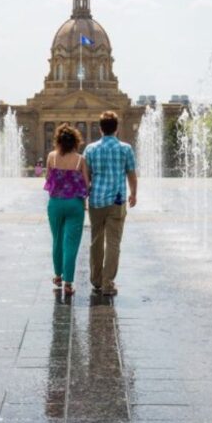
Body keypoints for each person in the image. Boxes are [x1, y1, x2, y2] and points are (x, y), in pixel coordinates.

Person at [84, 111, 137, 297]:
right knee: (113, 242)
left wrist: (85, 196)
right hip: (117, 200)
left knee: (96, 241)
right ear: (117, 128)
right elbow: (131, 173)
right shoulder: (125, 148)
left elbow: (86, 176)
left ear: (100, 128)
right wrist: (134, 194)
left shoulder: (90, 149)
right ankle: (108, 283)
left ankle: (96, 280)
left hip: (96, 200)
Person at [44, 124, 90, 297]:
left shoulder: (51, 157)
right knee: (71, 243)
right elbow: (86, 184)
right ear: (75, 142)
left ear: (58, 141)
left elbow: (48, 178)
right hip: (75, 205)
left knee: (57, 240)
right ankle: (68, 283)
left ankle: (57, 276)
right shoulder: (80, 159)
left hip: (55, 203)